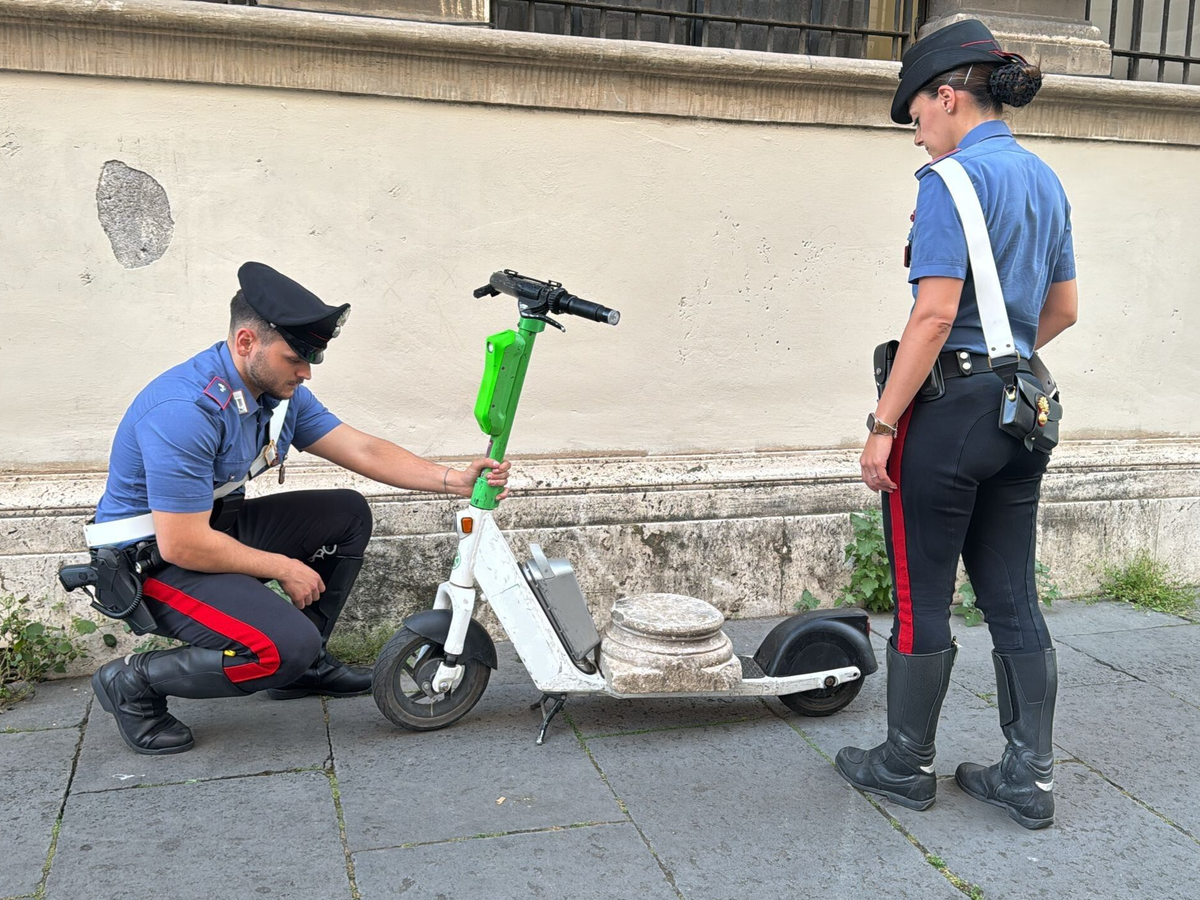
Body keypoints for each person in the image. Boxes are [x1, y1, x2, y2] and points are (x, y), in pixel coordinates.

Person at [86, 262, 511, 755]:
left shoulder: (277, 395)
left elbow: (362, 449)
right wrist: (282, 567)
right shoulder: (184, 411)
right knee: (285, 646)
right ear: (246, 342)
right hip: (152, 561)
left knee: (346, 513)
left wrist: (453, 479)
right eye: (295, 359)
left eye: (312, 358)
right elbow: (182, 544)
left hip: (210, 532)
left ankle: (304, 669)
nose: (306, 372)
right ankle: (133, 682)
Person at [833, 19, 1078, 830]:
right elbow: (1064, 310)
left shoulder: (950, 181)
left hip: (949, 414)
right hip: (1022, 409)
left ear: (947, 97)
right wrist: (1003, 357)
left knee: (922, 592)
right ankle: (1029, 777)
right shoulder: (1044, 179)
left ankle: (905, 765)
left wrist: (882, 421)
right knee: (1012, 592)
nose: (917, 133)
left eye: (917, 115)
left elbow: (934, 315)